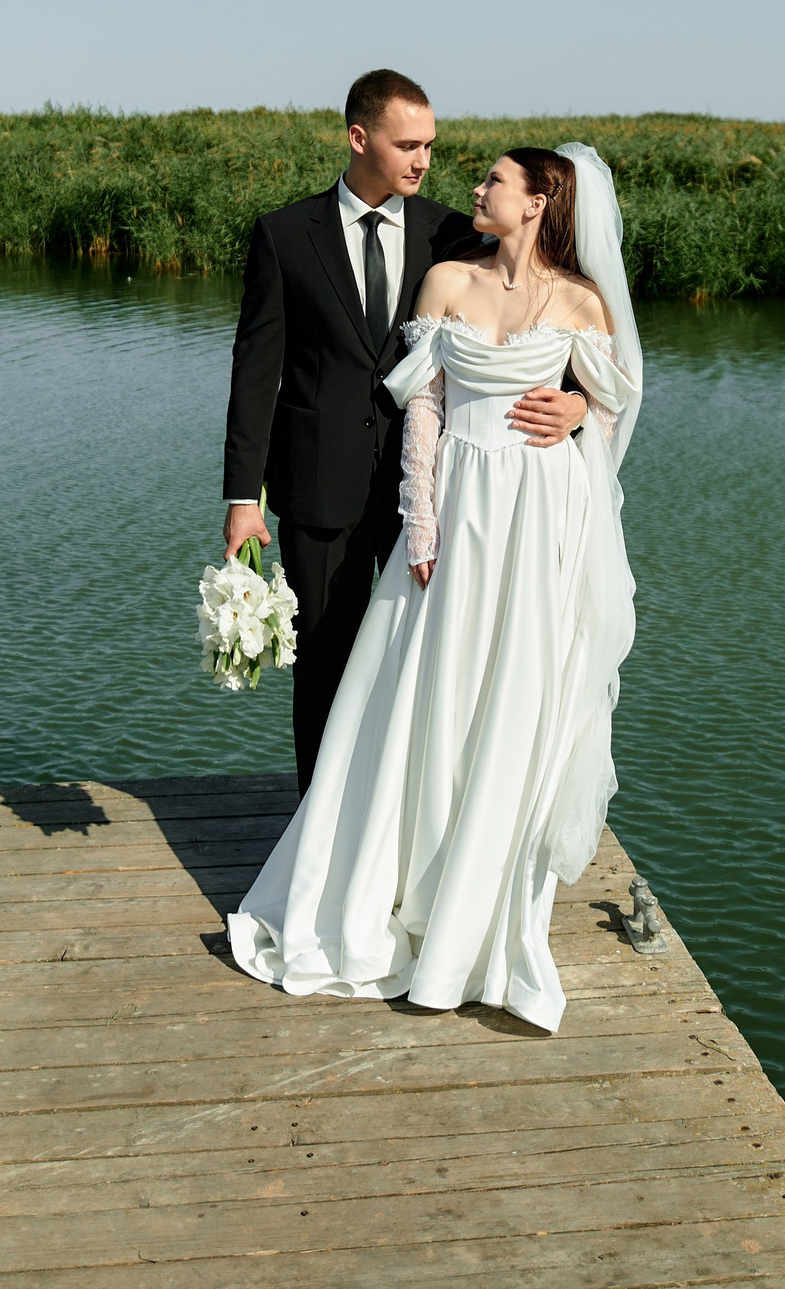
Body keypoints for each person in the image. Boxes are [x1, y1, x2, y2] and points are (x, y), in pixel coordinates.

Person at [226, 143, 644, 1032]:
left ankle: (483, 919)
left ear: (538, 203)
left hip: (541, 518)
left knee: (514, 701)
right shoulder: (447, 282)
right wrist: (421, 517)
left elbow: (612, 408)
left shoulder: (582, 302)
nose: (475, 187)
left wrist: (579, 408)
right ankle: (406, 886)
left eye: (495, 180)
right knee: (429, 693)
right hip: (460, 511)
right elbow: (425, 408)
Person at [221, 70, 587, 790]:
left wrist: (575, 404)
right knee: (323, 666)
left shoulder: (453, 231)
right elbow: (255, 376)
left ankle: (396, 821)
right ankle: (318, 822)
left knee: (421, 663)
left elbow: (544, 310)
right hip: (317, 490)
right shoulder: (285, 235)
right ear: (360, 138)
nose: (424, 159)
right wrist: (241, 498)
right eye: (408, 145)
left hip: (436, 495)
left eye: (430, 145)